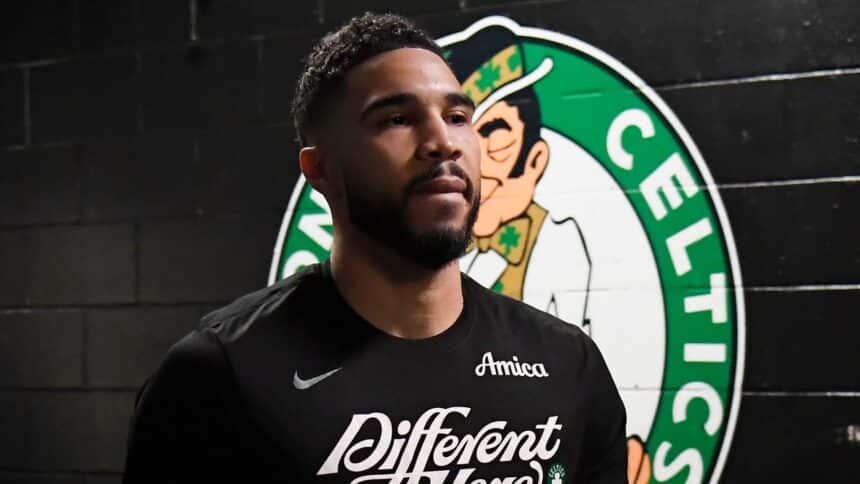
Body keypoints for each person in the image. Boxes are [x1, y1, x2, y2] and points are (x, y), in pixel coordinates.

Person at [123, 13, 627, 484]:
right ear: (321, 169)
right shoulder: (217, 378)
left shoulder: (568, 365)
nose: (443, 142)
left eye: (457, 116)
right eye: (397, 120)